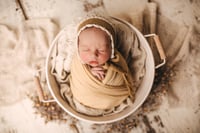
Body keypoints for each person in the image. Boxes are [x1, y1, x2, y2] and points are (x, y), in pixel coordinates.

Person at [68, 17, 135, 111]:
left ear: (111, 49)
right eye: (86, 50)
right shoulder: (77, 62)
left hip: (112, 97)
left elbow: (123, 75)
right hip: (83, 93)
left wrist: (109, 72)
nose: (93, 55)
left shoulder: (117, 60)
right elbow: (76, 74)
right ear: (78, 48)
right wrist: (89, 73)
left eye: (101, 50)